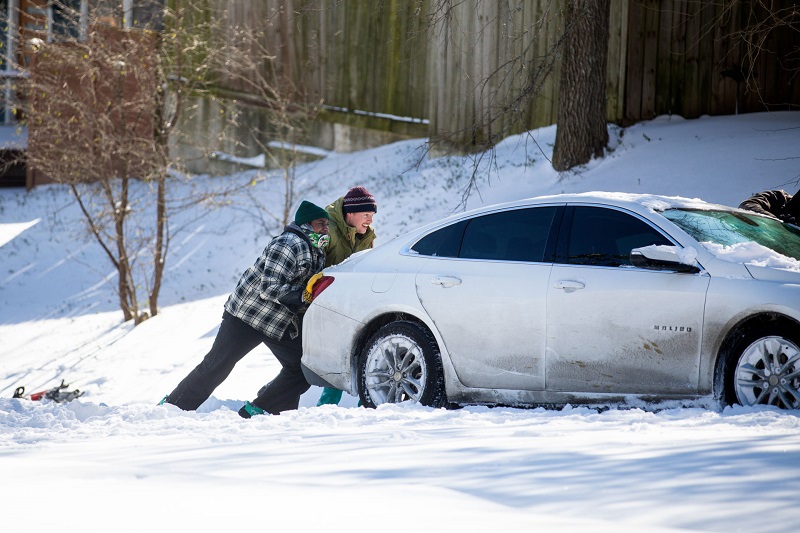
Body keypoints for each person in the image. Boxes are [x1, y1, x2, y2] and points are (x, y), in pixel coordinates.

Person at [161, 200, 330, 418]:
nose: (325, 229)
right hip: (247, 315)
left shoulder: (316, 250)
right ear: (306, 225)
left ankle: (261, 409)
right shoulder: (289, 244)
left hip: (275, 321)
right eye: (320, 224)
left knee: (302, 367)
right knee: (217, 365)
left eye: (327, 224)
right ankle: (173, 408)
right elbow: (269, 287)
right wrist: (302, 295)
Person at [316, 186, 378, 407]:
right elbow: (312, 265)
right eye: (366, 215)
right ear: (350, 213)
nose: (370, 220)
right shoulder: (327, 229)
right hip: (325, 301)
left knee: (364, 349)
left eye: (372, 216)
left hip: (353, 302)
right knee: (335, 353)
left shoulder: (365, 236)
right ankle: (325, 408)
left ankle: (368, 404)